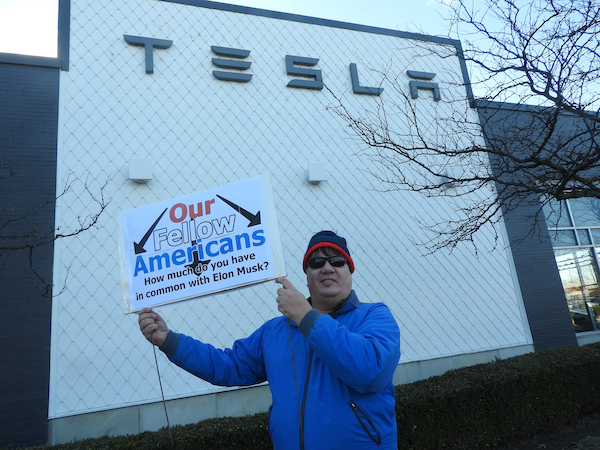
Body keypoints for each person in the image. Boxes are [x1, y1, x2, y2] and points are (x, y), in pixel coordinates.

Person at [138, 230, 401, 449]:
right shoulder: (277, 331)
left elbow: (371, 371)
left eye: (337, 261)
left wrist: (305, 316)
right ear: (307, 276)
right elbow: (228, 365)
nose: (327, 268)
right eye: (317, 263)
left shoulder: (375, 316)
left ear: (350, 271)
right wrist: (169, 340)